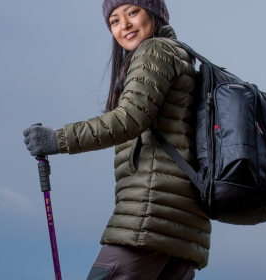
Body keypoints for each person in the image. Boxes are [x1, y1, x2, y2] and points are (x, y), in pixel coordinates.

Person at [23, 0, 210, 279]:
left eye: (133, 12)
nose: (125, 25)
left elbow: (129, 119)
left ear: (155, 14)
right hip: (184, 224)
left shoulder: (155, 50)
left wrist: (57, 139)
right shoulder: (181, 56)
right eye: (114, 20)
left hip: (151, 212)